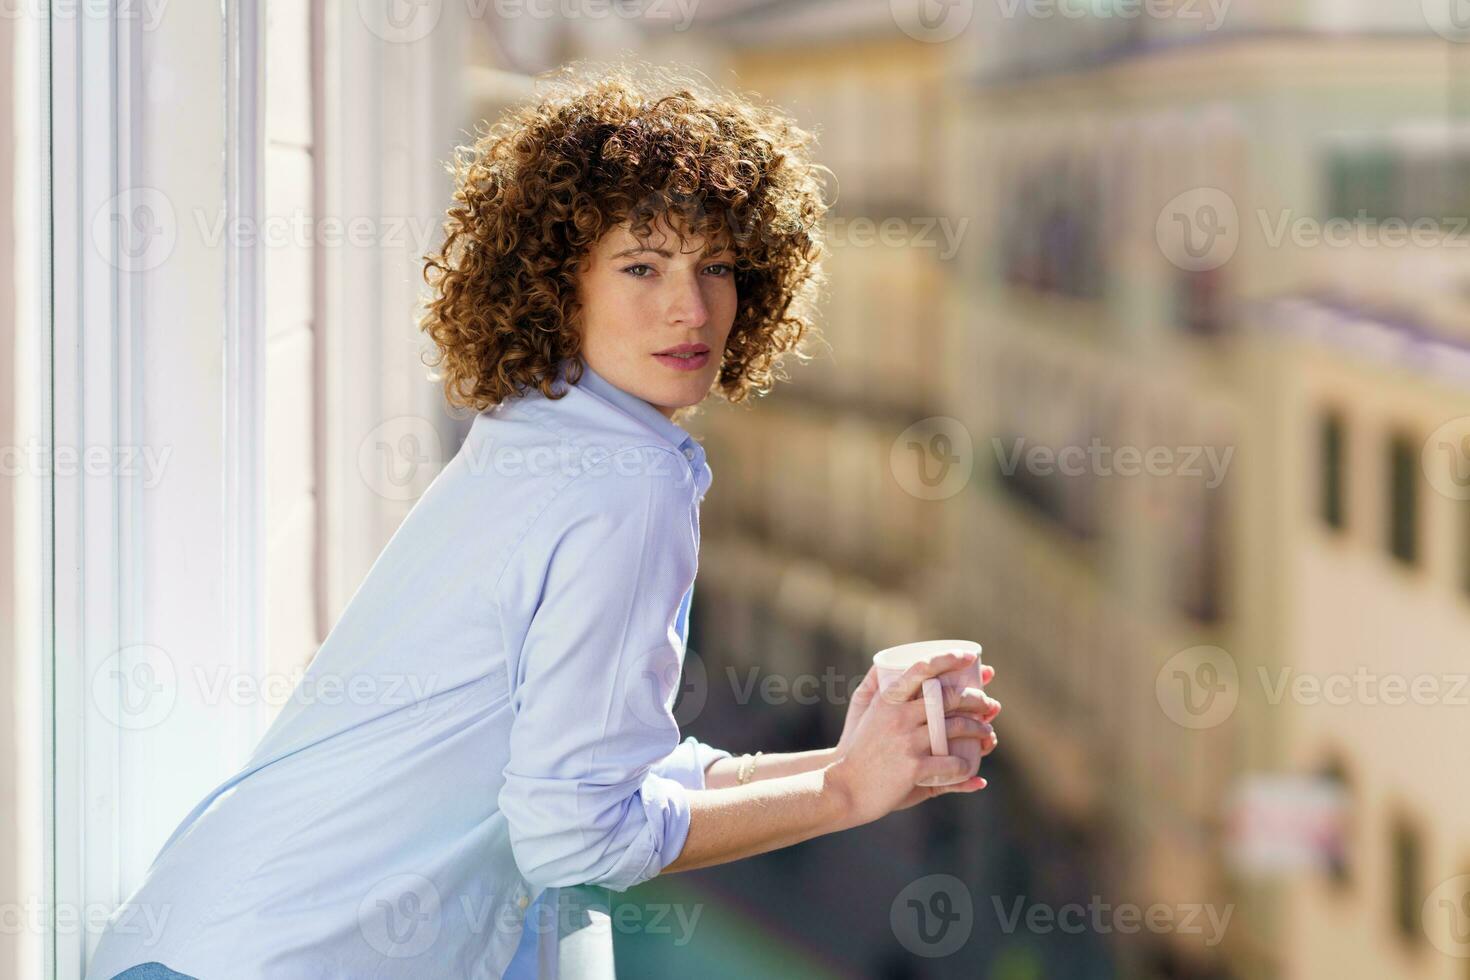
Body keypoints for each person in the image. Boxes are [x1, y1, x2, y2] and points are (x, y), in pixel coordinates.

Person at [86, 61, 1001, 979]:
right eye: (641, 266)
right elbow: (577, 835)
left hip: (192, 940)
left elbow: (597, 772)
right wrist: (845, 791)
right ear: (562, 284)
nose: (690, 308)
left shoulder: (538, 431)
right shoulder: (626, 481)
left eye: (715, 265)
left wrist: (847, 762)